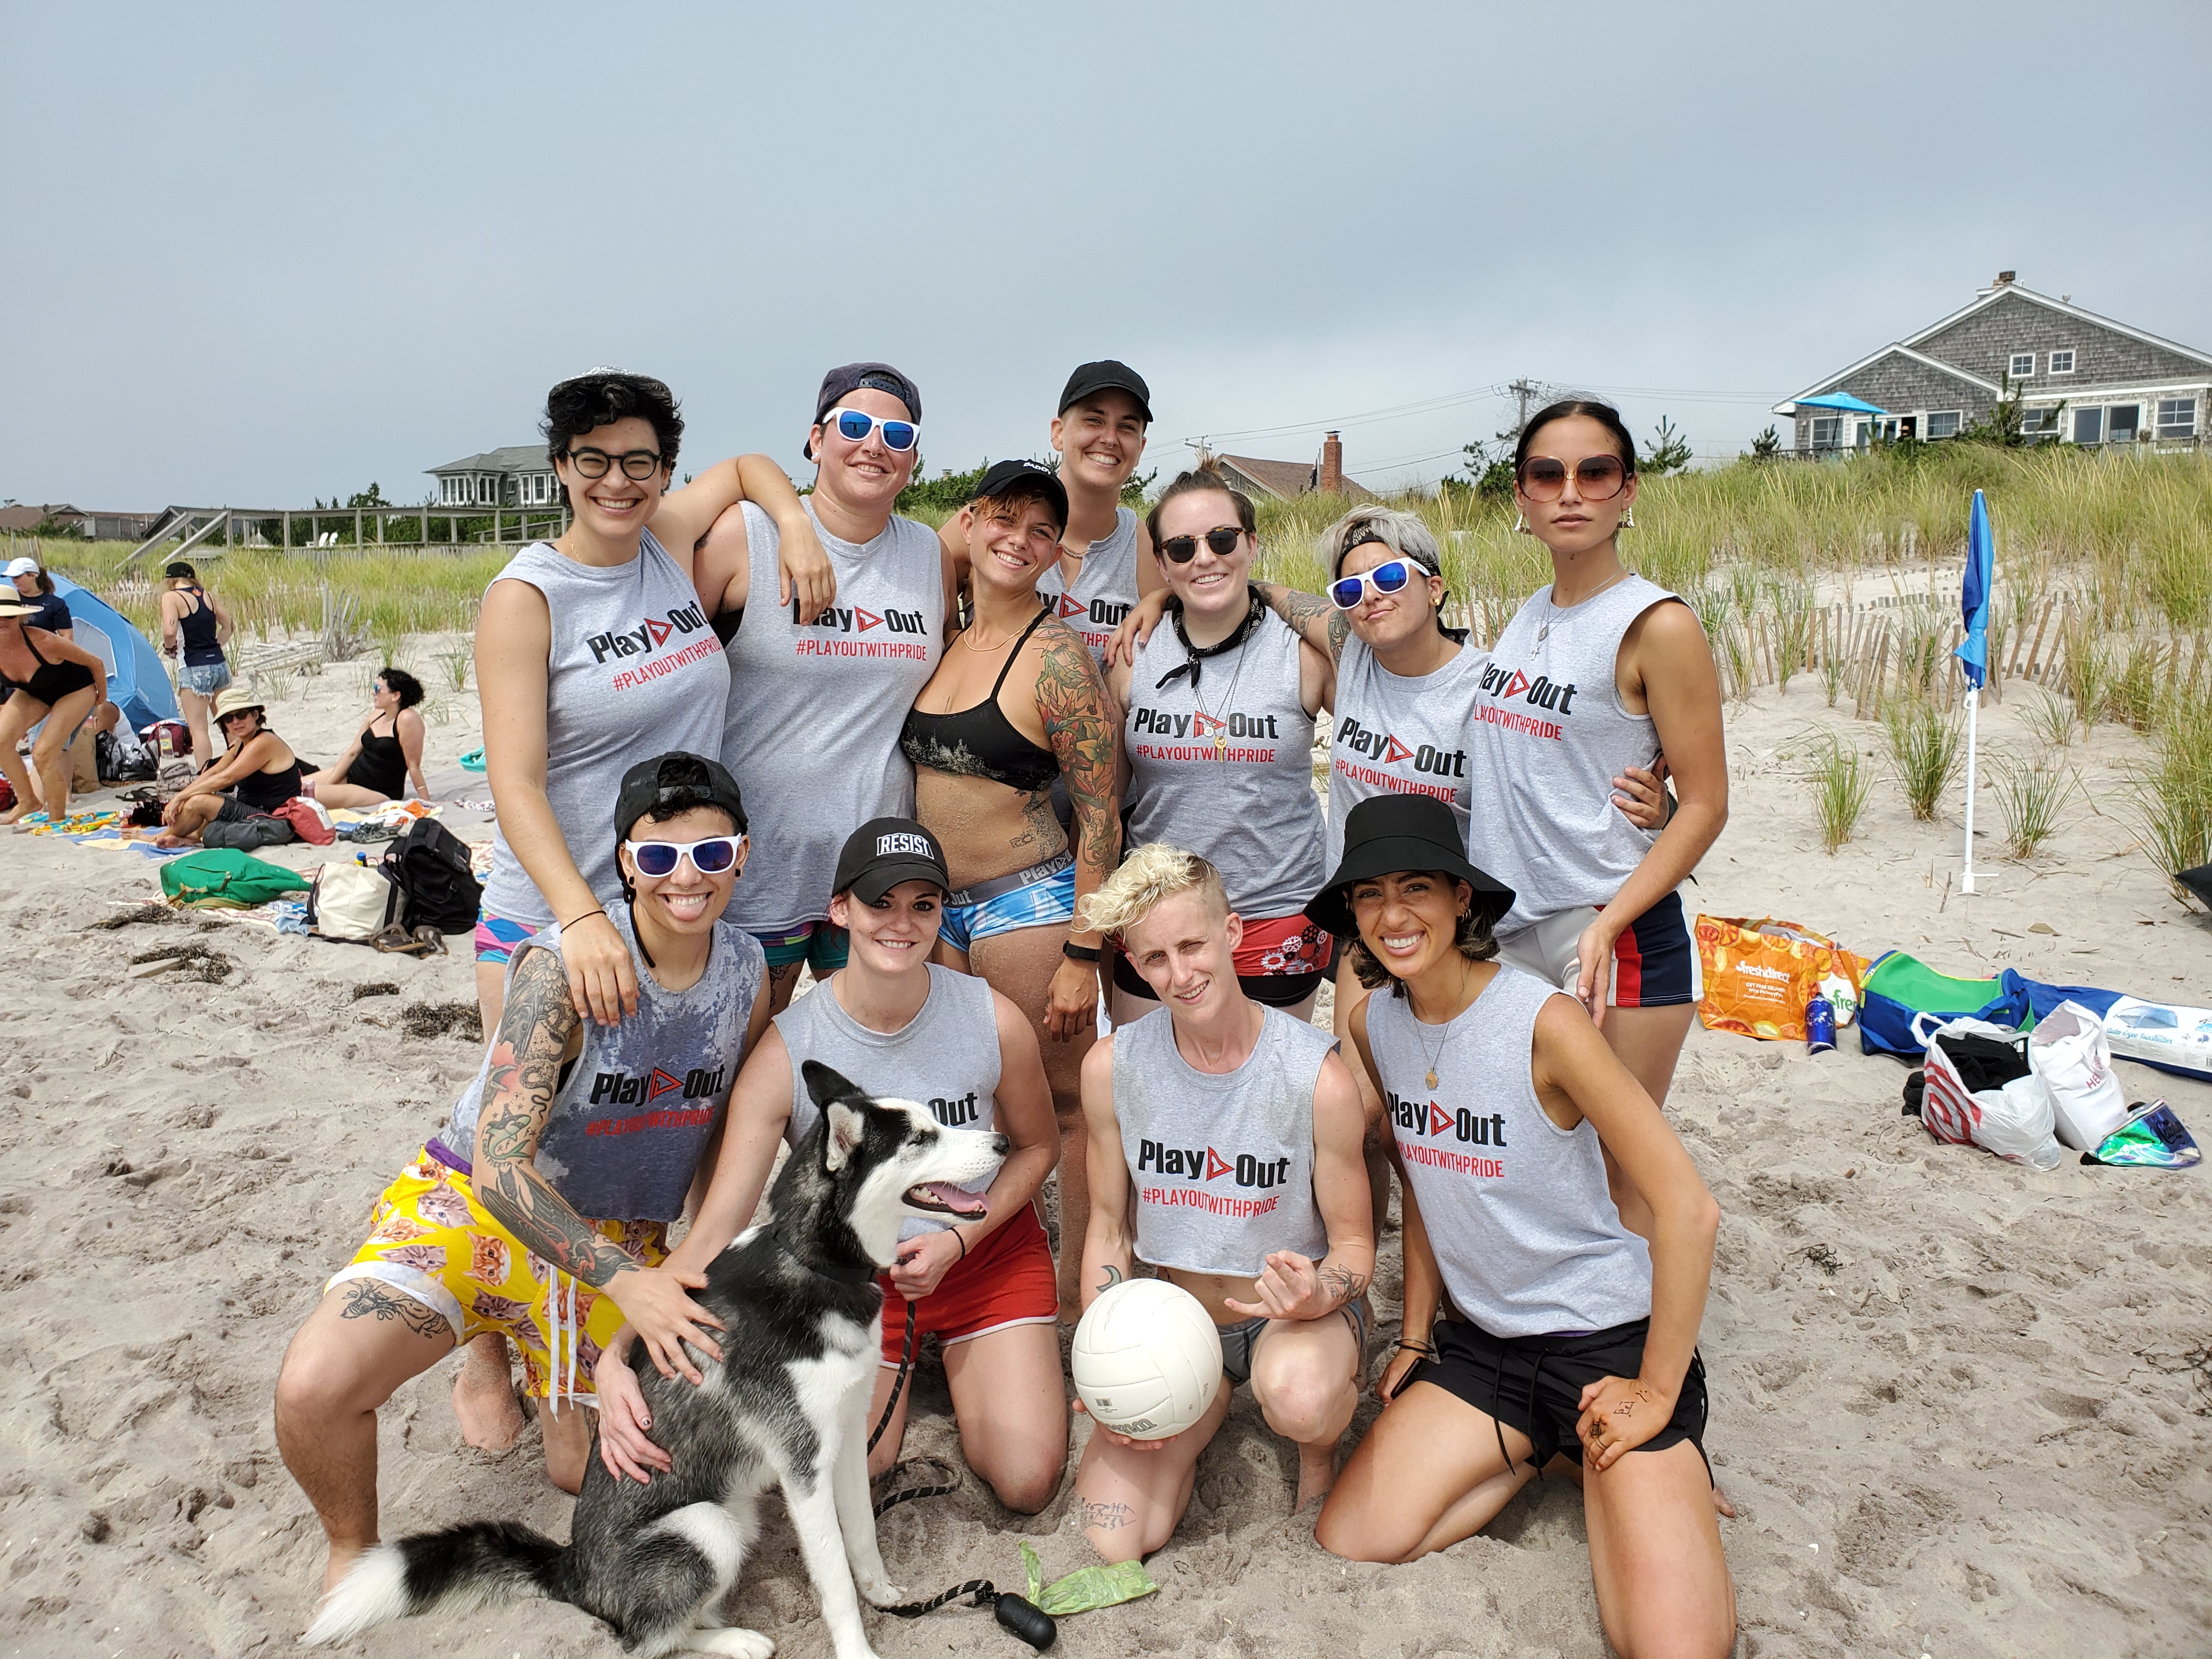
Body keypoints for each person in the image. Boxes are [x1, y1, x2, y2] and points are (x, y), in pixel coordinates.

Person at [273, 753, 771, 1598]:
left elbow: (721, 1128)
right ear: (626, 862)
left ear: (742, 857)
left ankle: (540, 1371)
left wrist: (693, 1267)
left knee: (603, 1472)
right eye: (659, 856)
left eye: (711, 854)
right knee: (315, 1388)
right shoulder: (560, 968)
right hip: (476, 1203)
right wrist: (634, 1287)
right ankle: (351, 1550)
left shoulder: (748, 973)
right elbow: (501, 1170)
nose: (686, 878)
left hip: (617, 1232)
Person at [466, 368, 828, 1454]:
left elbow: (752, 466)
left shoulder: (664, 540)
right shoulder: (529, 596)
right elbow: (513, 782)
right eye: (594, 460)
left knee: (649, 1130)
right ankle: (484, 1354)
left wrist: (795, 526)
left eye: (640, 461)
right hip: (556, 912)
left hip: (673, 902)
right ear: (560, 467)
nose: (617, 481)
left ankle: (618, 1338)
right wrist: (579, 917)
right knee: (524, 1148)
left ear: (664, 469)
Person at [1308, 794, 1734, 1659]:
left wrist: (1655, 1392)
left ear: (1462, 898)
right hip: (1487, 1348)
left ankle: (1639, 1456)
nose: (1393, 915)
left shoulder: (1546, 1023)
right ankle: (1547, 1449)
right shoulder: (1374, 1024)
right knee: (1350, 1538)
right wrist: (1417, 1335)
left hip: (1603, 1344)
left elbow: (1690, 1209)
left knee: (1672, 1647)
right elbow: (1424, 1186)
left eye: (1417, 888)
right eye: (1370, 894)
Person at [594, 819, 1066, 1514]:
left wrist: (958, 1241)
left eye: (923, 905)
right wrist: (616, 1354)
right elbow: (716, 1228)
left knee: (1026, 1481)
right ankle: (922, 1378)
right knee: (852, 1471)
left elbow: (1039, 1148)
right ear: (841, 910)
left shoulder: (990, 1018)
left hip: (983, 1252)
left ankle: (976, 1361)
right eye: (881, 903)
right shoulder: (789, 1052)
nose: (901, 923)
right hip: (856, 1283)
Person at [1468, 400, 1728, 1239]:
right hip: (1514, 929)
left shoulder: (1657, 623)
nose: (1571, 492)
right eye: (1548, 475)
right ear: (1522, 495)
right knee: (1542, 1156)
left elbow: (1707, 806)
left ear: (1629, 490)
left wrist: (1609, 925)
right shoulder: (1529, 614)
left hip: (1612, 932)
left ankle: (1658, 1328)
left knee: (1623, 1176)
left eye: (1596, 472)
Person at [1070, 843, 1372, 1559]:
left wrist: (1317, 1296)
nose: (1180, 975)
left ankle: (1319, 1454)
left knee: (1299, 1399)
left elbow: (1357, 1247)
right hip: (1176, 1323)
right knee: (1114, 1537)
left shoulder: (1316, 1077)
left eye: (1192, 946)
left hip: (1289, 1321)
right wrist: (1104, 1355)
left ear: (1232, 933)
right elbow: (1108, 1230)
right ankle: (1202, 1410)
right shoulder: (1113, 1067)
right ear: (1133, 964)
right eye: (1155, 958)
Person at [904, 459, 1120, 1316]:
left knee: (1065, 1111)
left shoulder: (1058, 660)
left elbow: (1101, 815)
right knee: (973, 1109)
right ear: (970, 521)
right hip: (940, 915)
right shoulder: (948, 634)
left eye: (1042, 531)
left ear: (1058, 552)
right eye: (1003, 517)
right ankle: (985, 1290)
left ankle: (1073, 1306)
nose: (1019, 539)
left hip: (1026, 906)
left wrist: (1082, 952)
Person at [700, 362, 957, 1015]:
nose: (875, 445)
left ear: (913, 460)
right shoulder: (744, 536)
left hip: (877, 872)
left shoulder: (930, 556)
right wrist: (793, 522)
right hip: (758, 865)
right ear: (816, 440)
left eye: (897, 436)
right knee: (747, 1051)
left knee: (870, 1052)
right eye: (854, 426)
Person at [1105, 471, 1336, 1024]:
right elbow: (1105, 801)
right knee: (1147, 1075)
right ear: (1161, 562)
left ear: (1252, 544)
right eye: (1182, 549)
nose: (1205, 557)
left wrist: (1260, 590)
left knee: (1270, 1075)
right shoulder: (1135, 654)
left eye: (1223, 540)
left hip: (1277, 913)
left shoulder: (1301, 653)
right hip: (1157, 914)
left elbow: (1361, 638)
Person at [939, 360, 1165, 668]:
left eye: (1126, 427)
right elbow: (917, 593)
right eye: (1094, 420)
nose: (1110, 439)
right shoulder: (991, 522)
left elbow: (1208, 608)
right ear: (1058, 433)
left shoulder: (1145, 547)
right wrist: (953, 642)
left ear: (1140, 448)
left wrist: (1162, 599)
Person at [0, 595, 104, 825]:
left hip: (76, 689)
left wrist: (101, 697)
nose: (2, 622)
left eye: (9, 616)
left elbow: (96, 663)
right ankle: (27, 801)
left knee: (43, 753)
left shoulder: (44, 641)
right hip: (35, 691)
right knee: (1, 741)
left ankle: (57, 817)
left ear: (20, 618)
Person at [152, 685, 300, 845]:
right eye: (229, 719)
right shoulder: (241, 744)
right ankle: (190, 838)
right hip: (254, 809)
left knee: (199, 802)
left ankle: (157, 838)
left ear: (255, 715)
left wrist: (180, 797)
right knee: (203, 796)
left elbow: (226, 779)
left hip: (273, 818)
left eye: (241, 715)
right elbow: (213, 772)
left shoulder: (264, 742)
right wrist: (184, 795)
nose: (236, 722)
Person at [306, 667, 432, 808]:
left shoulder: (407, 719)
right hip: (352, 775)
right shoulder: (377, 715)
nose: (373, 692)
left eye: (378, 689)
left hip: (376, 790)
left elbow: (413, 765)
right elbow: (352, 753)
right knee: (293, 786)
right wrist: (330, 783)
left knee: (305, 795)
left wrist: (426, 801)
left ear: (395, 696)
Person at [159, 561, 233, 766]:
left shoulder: (171, 597)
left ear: (170, 580)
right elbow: (229, 625)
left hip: (193, 666)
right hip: (219, 664)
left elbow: (170, 632)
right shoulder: (207, 595)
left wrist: (169, 648)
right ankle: (241, 769)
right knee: (229, 724)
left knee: (199, 730)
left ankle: (205, 774)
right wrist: (216, 645)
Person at [5, 557, 71, 638]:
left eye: (17, 577)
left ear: (32, 576)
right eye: (12, 578)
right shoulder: (8, 600)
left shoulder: (56, 604)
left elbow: (66, 637)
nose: (14, 581)